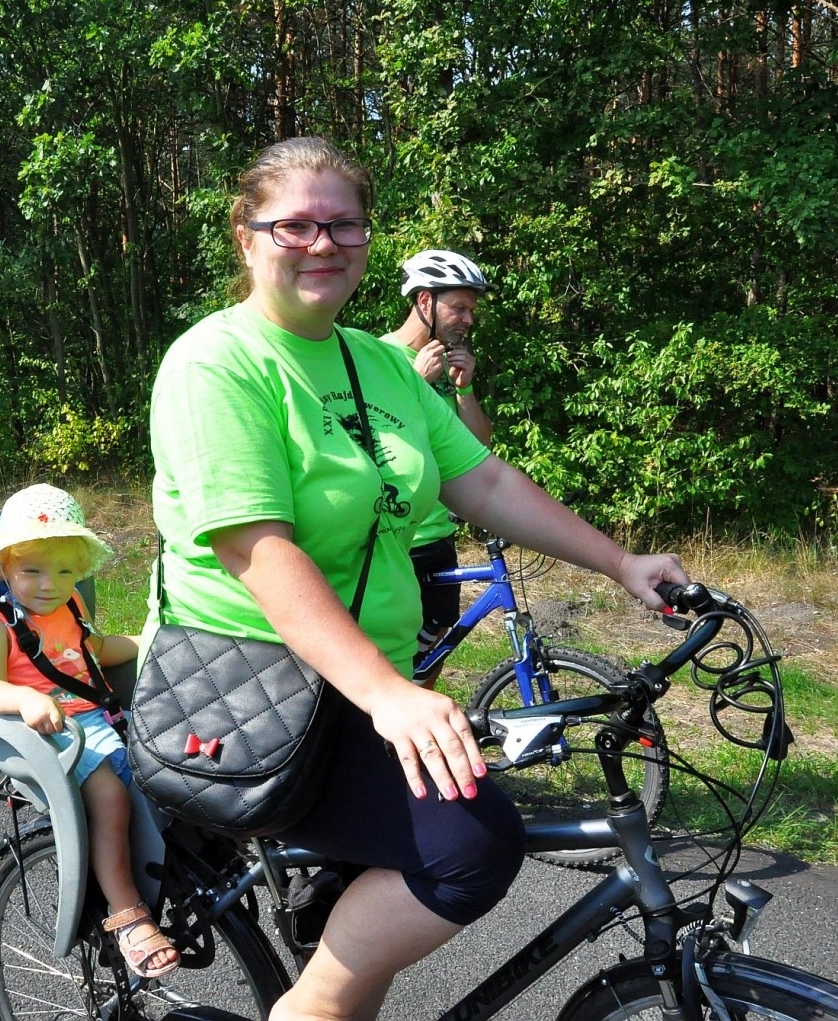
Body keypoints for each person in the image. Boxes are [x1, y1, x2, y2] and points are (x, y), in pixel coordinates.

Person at [147, 135, 688, 1021]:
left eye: (344, 224)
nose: (323, 243)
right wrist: (391, 695)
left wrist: (623, 561)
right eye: (296, 225)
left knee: (391, 897)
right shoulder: (217, 363)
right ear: (247, 238)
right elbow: (260, 552)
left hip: (354, 681)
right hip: (252, 689)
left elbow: (486, 481)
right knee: (468, 843)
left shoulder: (381, 362)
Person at [0, 484, 178, 980]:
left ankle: (174, 866)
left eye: (65, 571)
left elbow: (95, 651)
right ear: (5, 568)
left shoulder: (71, 609)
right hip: (49, 730)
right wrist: (25, 698)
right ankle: (125, 909)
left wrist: (155, 641)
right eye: (33, 571)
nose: (50, 584)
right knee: (109, 797)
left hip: (99, 717)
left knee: (173, 764)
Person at [381, 250, 494, 671]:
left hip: (438, 534)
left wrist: (463, 390)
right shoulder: (380, 358)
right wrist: (418, 385)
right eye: (459, 307)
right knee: (390, 650)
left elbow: (478, 447)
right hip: (397, 538)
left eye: (471, 310)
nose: (468, 319)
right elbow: (373, 443)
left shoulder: (449, 364)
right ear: (425, 302)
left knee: (434, 645)